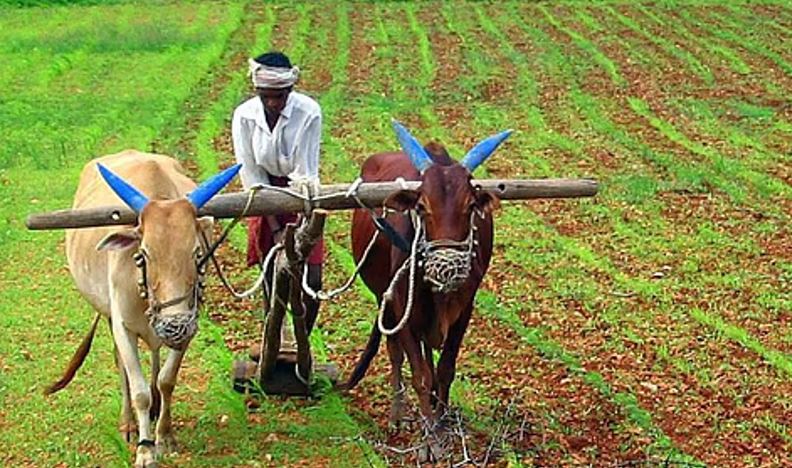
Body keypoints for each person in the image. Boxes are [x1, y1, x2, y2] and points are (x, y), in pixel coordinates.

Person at [231, 51, 323, 334]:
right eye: (266, 96)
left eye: (279, 96)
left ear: (290, 90)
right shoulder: (245, 116)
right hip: (264, 195)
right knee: (272, 272)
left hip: (301, 195)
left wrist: (300, 229)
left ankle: (302, 338)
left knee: (312, 279)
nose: (272, 103)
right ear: (257, 91)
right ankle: (274, 335)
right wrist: (275, 229)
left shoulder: (308, 112)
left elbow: (305, 173)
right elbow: (251, 173)